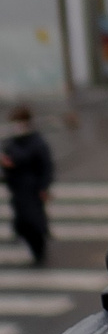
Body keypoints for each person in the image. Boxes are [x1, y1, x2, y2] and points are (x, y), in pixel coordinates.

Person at [4, 107, 53, 267]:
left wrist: (44, 187)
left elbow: (45, 166)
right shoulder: (12, 142)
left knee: (33, 221)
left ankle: (39, 250)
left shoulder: (37, 142)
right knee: (22, 222)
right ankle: (34, 245)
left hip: (32, 189)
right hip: (18, 190)